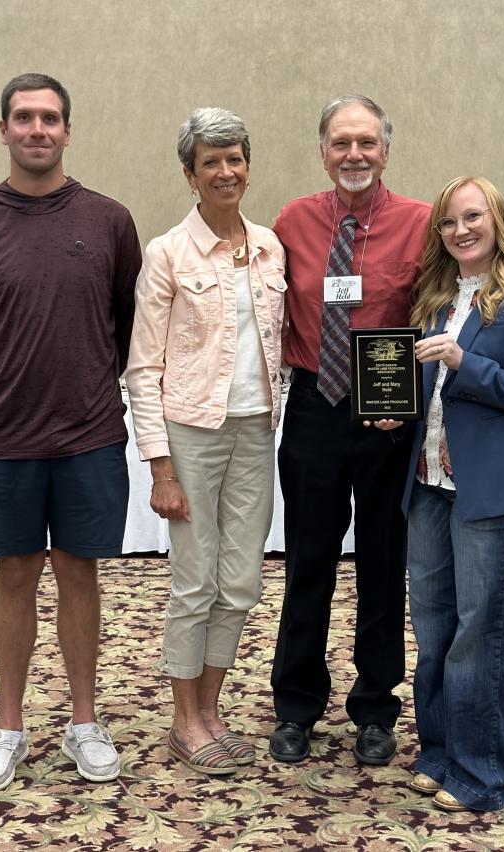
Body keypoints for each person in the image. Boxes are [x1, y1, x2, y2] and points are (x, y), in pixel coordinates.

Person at [0, 73, 142, 791]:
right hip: (4, 439)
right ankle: (11, 725)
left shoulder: (110, 221)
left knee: (79, 575)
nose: (37, 129)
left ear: (68, 131)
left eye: (50, 118)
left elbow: (125, 324)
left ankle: (84, 722)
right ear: (3, 130)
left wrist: (81, 382)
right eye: (24, 117)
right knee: (14, 577)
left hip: (89, 435)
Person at [269, 94, 432, 765]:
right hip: (313, 409)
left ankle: (375, 706)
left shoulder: (422, 224)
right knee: (307, 563)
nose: (354, 155)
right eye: (341, 143)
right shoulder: (292, 222)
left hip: (388, 417)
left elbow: (439, 320)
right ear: (323, 151)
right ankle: (297, 706)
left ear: (386, 151)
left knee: (382, 563)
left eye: (366, 142)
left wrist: (412, 397)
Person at [125, 108, 286, 776]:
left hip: (256, 429)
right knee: (195, 580)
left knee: (241, 580)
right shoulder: (167, 253)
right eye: (211, 162)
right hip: (192, 434)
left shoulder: (271, 247)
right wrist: (161, 467)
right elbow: (143, 367)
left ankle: (210, 709)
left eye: (235, 158)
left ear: (249, 165)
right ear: (190, 174)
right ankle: (182, 720)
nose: (226, 171)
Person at [398, 176, 504, 811]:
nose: (461, 229)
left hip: (488, 491)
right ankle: (440, 754)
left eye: (473, 216)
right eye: (448, 221)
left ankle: (486, 773)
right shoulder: (435, 298)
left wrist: (469, 364)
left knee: (482, 631)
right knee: (435, 627)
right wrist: (396, 414)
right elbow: (428, 396)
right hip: (429, 486)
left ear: (497, 219)